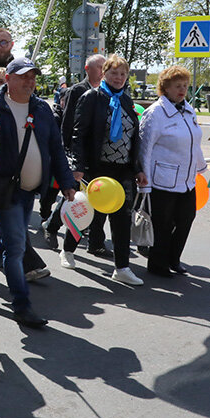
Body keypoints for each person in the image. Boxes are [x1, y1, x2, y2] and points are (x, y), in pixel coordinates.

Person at [0, 57, 76, 327]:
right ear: (8, 79)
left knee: (6, 240)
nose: (29, 81)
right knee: (15, 247)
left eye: (33, 77)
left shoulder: (41, 108)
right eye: (23, 76)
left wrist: (67, 181)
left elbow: (56, 147)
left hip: (30, 190)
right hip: (5, 189)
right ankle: (21, 305)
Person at [69, 54, 147, 285]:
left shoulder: (126, 100)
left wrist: (138, 169)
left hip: (123, 170)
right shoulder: (92, 97)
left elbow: (133, 137)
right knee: (87, 212)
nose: (119, 78)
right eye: (114, 73)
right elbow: (78, 134)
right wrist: (77, 166)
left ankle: (122, 267)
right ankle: (68, 249)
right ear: (104, 74)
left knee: (122, 219)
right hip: (97, 168)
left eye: (123, 74)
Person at [137, 64, 206, 277]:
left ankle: (174, 258)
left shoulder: (189, 109)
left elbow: (195, 142)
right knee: (163, 224)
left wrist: (202, 168)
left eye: (185, 85)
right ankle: (158, 264)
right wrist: (144, 181)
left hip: (187, 179)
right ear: (165, 88)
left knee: (187, 218)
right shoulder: (155, 113)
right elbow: (144, 148)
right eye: (177, 86)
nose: (182, 90)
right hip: (162, 179)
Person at [45, 53, 106, 245]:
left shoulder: (106, 91)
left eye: (105, 67)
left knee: (94, 196)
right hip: (78, 153)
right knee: (73, 196)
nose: (103, 71)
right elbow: (68, 123)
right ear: (87, 69)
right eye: (99, 67)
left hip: (98, 154)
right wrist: (67, 153)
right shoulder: (77, 90)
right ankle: (52, 226)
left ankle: (94, 240)